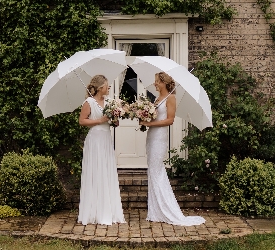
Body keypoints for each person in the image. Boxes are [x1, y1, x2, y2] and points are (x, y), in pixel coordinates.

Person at [140, 72, 206, 226]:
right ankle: (155, 211)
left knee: (157, 170)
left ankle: (166, 209)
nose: (155, 84)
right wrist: (144, 117)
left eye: (157, 81)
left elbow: (169, 120)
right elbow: (156, 117)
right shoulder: (157, 99)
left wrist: (150, 124)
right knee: (152, 170)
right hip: (151, 136)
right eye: (155, 81)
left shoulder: (171, 98)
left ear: (164, 82)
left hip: (159, 137)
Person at [77, 75, 126, 225]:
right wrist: (100, 120)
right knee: (96, 171)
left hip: (106, 139)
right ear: (99, 88)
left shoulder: (110, 102)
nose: (109, 87)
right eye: (106, 85)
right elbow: (82, 120)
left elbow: (113, 123)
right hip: (95, 140)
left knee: (106, 171)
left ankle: (109, 210)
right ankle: (94, 211)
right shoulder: (89, 102)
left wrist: (114, 119)